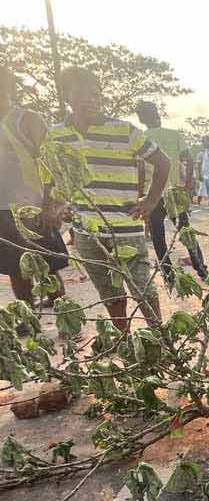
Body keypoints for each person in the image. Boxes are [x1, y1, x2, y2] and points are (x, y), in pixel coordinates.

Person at [46, 66, 169, 332]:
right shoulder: (56, 135)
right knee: (111, 293)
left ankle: (161, 340)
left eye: (95, 94)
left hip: (127, 227)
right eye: (81, 94)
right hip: (87, 232)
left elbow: (162, 163)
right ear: (68, 97)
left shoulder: (124, 131)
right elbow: (54, 177)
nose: (89, 100)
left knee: (143, 289)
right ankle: (123, 340)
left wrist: (150, 201)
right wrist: (60, 205)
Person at [0, 65, 68, 307]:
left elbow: (53, 162)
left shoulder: (26, 119)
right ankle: (29, 318)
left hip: (32, 207)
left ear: (9, 86)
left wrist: (53, 204)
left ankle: (65, 318)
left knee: (47, 266)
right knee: (14, 269)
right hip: (2, 211)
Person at [135, 101, 207, 284]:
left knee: (158, 236)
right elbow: (188, 159)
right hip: (174, 192)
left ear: (141, 119)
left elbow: (140, 169)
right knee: (185, 231)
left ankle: (168, 275)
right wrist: (188, 183)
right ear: (157, 114)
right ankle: (201, 269)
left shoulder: (141, 138)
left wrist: (139, 194)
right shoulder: (174, 135)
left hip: (152, 195)